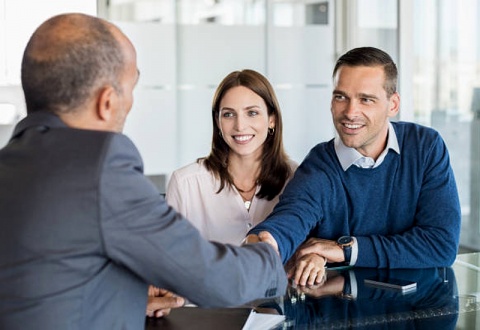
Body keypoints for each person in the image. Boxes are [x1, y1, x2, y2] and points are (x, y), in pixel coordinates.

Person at [0, 13, 287, 329]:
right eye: (130, 87)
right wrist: (269, 256)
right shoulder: (99, 169)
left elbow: (59, 278)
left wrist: (132, 289)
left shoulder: (11, 165)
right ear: (107, 101)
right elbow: (214, 278)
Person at [246, 47, 461, 285]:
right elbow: (292, 217)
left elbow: (441, 245)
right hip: (345, 310)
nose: (350, 112)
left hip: (416, 310)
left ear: (393, 104)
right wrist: (266, 243)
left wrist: (346, 249)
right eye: (341, 97)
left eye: (366, 100)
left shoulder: (425, 147)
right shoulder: (320, 166)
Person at [166, 69, 297, 246]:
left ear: (271, 119)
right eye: (228, 114)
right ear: (218, 122)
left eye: (252, 113)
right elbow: (169, 261)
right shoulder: (185, 184)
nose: (240, 126)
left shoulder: (296, 178)